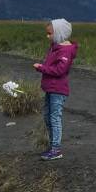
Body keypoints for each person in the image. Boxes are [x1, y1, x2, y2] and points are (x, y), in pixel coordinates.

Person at [34, 19, 78, 161]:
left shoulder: (65, 51)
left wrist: (41, 68)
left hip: (58, 90)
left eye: (49, 33)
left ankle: (56, 149)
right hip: (50, 88)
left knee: (54, 118)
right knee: (47, 116)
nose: (47, 36)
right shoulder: (55, 47)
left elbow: (60, 70)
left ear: (58, 33)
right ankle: (53, 146)